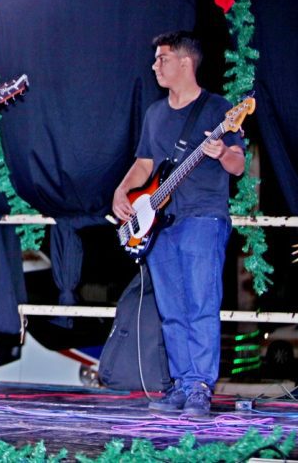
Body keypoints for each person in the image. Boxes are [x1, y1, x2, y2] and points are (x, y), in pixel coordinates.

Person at [111, 31, 245, 418]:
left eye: (162, 58)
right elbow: (145, 164)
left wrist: (221, 153)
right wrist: (122, 191)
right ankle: (183, 383)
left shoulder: (219, 108)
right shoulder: (155, 114)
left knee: (201, 302)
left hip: (203, 216)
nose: (155, 65)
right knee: (171, 307)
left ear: (185, 62)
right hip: (160, 222)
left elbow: (238, 163)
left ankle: (201, 385)